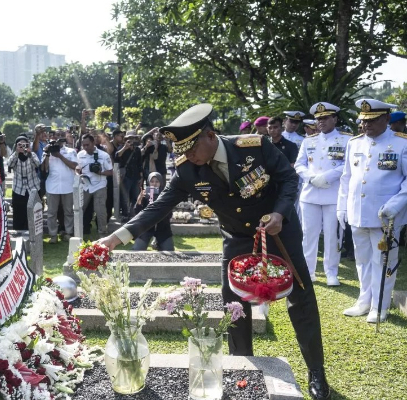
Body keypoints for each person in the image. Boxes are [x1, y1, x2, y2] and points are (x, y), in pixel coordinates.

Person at [100, 103, 330, 400]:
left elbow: (288, 178)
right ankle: (243, 367)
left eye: (191, 148)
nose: (187, 155)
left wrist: (279, 213)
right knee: (234, 307)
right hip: (236, 238)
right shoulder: (187, 170)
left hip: (278, 233)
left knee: (300, 299)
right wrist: (113, 240)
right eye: (181, 149)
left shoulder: (255, 146)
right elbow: (158, 208)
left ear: (210, 136)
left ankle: (316, 372)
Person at [338, 99, 406, 323]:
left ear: (386, 119)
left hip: (386, 217)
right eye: (364, 120)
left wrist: (395, 205)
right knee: (362, 259)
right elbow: (346, 178)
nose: (367, 125)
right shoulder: (355, 143)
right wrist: (342, 206)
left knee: (383, 261)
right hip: (358, 213)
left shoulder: (401, 144)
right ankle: (364, 300)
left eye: (373, 120)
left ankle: (380, 305)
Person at [295, 102, 351, 286]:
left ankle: (331, 272)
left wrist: (327, 177)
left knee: (332, 235)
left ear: (334, 119)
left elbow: (348, 165)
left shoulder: (347, 140)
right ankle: (308, 271)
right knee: (308, 234)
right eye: (318, 119)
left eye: (325, 118)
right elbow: (299, 165)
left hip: (333, 194)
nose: (321, 122)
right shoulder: (308, 141)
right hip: (310, 194)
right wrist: (311, 178)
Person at [41, 136, 77, 243]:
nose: (57, 143)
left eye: (59, 141)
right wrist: (47, 153)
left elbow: (74, 165)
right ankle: (53, 235)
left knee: (68, 211)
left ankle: (68, 233)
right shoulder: (47, 151)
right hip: (52, 186)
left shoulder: (71, 151)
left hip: (68, 185)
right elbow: (44, 168)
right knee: (51, 212)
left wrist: (59, 156)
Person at [76, 133, 113, 236]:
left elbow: (111, 171)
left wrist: (100, 172)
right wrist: (77, 172)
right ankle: (78, 231)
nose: (85, 147)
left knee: (100, 209)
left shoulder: (103, 155)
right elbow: (77, 168)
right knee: (80, 209)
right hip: (85, 185)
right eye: (84, 145)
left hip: (99, 185)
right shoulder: (80, 154)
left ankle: (102, 232)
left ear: (93, 143)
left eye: (87, 144)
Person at [6, 136, 41, 230]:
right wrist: (17, 152)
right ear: (16, 146)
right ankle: (18, 233)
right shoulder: (14, 155)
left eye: (24, 144)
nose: (22, 147)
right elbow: (9, 164)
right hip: (18, 188)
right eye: (20, 145)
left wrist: (29, 153)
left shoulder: (32, 154)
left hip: (32, 187)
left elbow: (37, 164)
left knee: (33, 212)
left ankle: (33, 235)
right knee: (18, 213)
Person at [132, 172, 173, 250]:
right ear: (148, 182)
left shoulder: (165, 194)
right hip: (145, 228)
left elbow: (170, 214)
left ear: (161, 183)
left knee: (169, 251)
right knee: (137, 250)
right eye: (152, 181)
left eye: (157, 181)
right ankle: (153, 242)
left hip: (163, 228)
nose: (154, 184)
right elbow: (136, 213)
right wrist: (139, 201)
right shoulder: (144, 194)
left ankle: (157, 242)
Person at [115, 132, 143, 221]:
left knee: (135, 196)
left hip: (136, 176)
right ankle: (125, 215)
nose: (132, 140)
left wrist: (141, 176)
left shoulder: (137, 150)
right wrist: (125, 148)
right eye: (130, 138)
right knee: (124, 197)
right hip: (126, 176)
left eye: (134, 138)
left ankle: (133, 213)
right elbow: (116, 156)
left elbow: (140, 163)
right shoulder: (122, 148)